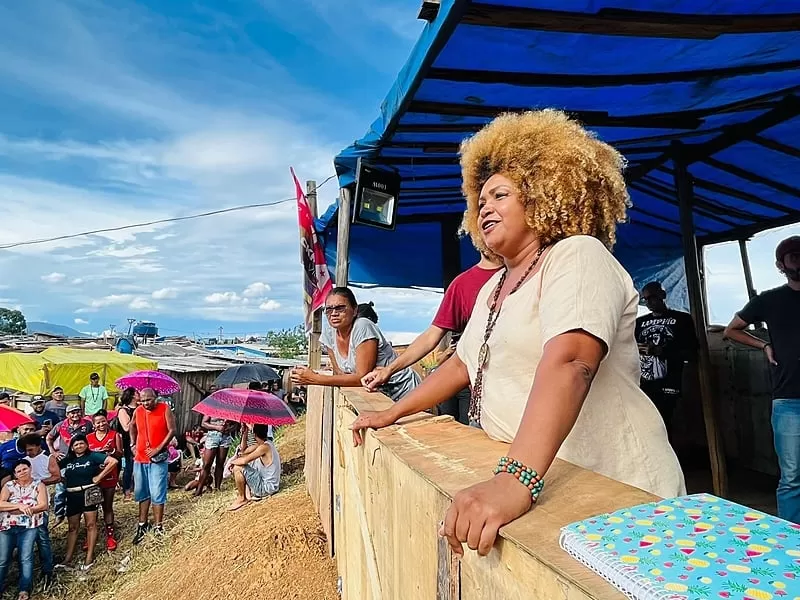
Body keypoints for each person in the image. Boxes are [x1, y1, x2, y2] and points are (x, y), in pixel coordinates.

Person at [351, 110, 684, 558]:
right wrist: (394, 411)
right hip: (547, 489)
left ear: (543, 194)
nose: (484, 207)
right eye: (480, 201)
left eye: (500, 195)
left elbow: (573, 360)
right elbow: (461, 364)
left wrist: (515, 479)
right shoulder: (493, 286)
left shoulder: (577, 256)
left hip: (618, 491)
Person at [362, 254, 502, 425]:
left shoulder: (536, 273)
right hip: (484, 403)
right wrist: (388, 371)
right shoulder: (462, 284)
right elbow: (431, 336)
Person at [724, 235, 800, 524]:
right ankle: (792, 539)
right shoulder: (769, 299)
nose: (797, 260)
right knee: (792, 477)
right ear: (781, 265)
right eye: (791, 256)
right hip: (788, 400)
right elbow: (731, 330)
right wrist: (764, 345)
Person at [291, 287, 421, 401]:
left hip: (405, 391)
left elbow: (361, 377)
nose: (334, 313)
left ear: (354, 310)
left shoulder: (362, 326)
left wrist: (315, 379)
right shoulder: (329, 333)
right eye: (329, 309)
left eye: (340, 308)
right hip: (380, 394)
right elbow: (339, 373)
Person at [635, 281, 698, 439]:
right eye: (645, 299)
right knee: (642, 424)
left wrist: (661, 351)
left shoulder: (682, 319)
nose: (649, 302)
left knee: (664, 424)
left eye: (653, 297)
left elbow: (692, 352)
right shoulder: (639, 323)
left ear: (663, 295)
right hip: (643, 383)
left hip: (669, 382)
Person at [56, 435, 117, 570]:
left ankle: (89, 559)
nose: (79, 446)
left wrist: (99, 476)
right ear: (72, 447)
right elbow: (53, 469)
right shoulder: (68, 460)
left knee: (91, 524)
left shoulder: (93, 456)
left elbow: (113, 461)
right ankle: (68, 559)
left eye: (81, 443)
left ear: (86, 444)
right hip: (72, 494)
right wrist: (59, 478)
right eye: (76, 444)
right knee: (72, 527)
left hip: (89, 492)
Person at [129, 388, 176, 544]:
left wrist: (159, 448)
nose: (145, 403)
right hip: (140, 457)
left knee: (157, 491)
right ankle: (142, 524)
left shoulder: (164, 408)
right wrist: (132, 444)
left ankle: (158, 526)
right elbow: (132, 426)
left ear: (156, 398)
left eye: (148, 400)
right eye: (142, 400)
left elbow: (172, 430)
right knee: (142, 492)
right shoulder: (138, 410)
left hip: (157, 458)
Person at [0, 459, 49, 600]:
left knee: (25, 558)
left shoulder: (38, 485)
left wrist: (19, 509)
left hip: (29, 526)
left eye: (24, 469)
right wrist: (20, 506)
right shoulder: (9, 485)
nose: (22, 473)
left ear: (30, 468)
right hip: (7, 526)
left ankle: (24, 589)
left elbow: (43, 505)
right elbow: (0, 503)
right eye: (18, 471)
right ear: (15, 474)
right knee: (3, 559)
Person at [20, 434, 59, 586]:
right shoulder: (25, 461)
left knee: (42, 536)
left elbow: (56, 476)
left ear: (38, 446)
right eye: (26, 450)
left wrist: (38, 483)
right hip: (25, 502)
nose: (28, 452)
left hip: (41, 501)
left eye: (30, 449)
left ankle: (47, 569)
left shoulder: (47, 458)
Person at [46, 405, 93, 525]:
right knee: (61, 488)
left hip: (82, 459)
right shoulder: (61, 425)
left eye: (77, 411)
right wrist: (53, 452)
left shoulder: (87, 424)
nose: (75, 414)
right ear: (67, 414)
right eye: (72, 413)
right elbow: (49, 438)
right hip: (64, 461)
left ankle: (80, 513)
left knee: (81, 487)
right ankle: (59, 514)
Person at [86, 410, 122, 551]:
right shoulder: (88, 438)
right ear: (94, 425)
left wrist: (111, 451)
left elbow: (120, 454)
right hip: (93, 475)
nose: (101, 424)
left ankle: (110, 536)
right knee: (92, 507)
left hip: (110, 474)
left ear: (107, 421)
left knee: (107, 505)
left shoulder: (115, 435)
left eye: (103, 421)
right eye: (98, 422)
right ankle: (90, 536)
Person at [227, 424, 281, 511]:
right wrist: (245, 434)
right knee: (244, 465)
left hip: (267, 488)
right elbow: (243, 452)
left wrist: (232, 463)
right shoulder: (266, 444)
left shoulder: (263, 447)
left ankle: (242, 498)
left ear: (255, 434)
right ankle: (247, 495)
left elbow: (244, 460)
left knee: (238, 467)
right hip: (270, 486)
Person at [194, 414, 235, 496]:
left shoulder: (231, 407)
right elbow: (204, 423)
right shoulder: (213, 406)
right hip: (213, 435)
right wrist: (217, 427)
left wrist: (229, 429)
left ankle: (217, 488)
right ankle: (199, 490)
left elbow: (235, 424)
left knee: (220, 462)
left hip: (225, 437)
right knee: (207, 464)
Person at [114, 387, 138, 500]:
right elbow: (126, 427)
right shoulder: (123, 410)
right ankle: (127, 491)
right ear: (133, 395)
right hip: (128, 441)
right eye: (138, 393)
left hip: (140, 439)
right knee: (129, 465)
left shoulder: (140, 407)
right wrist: (136, 416)